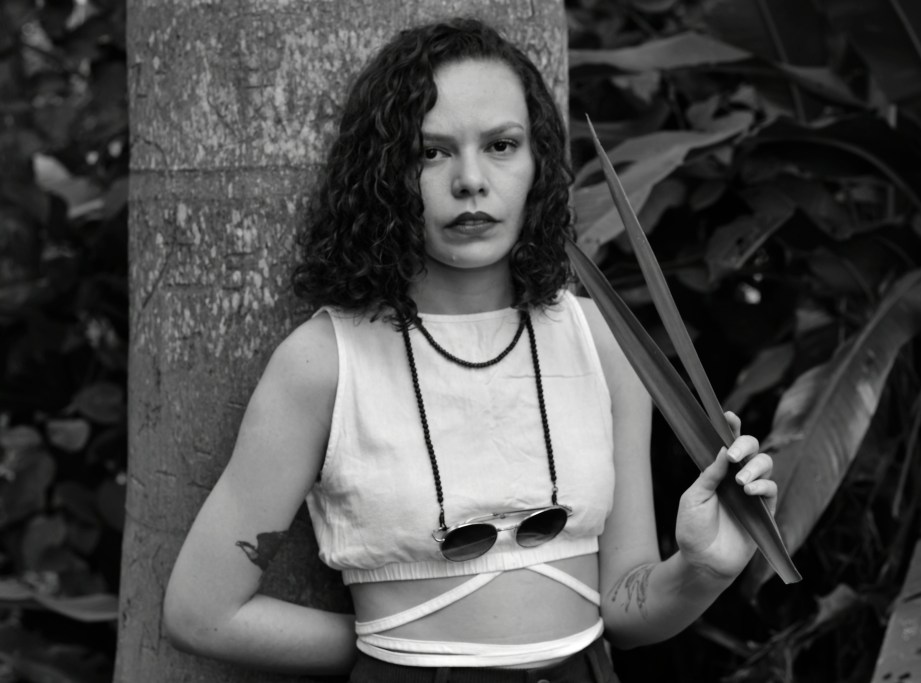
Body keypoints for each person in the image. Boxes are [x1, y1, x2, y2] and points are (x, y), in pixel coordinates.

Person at [162, 17, 776, 682]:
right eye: (431, 152)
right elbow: (202, 613)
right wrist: (401, 656)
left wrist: (703, 568)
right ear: (383, 172)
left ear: (538, 162)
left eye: (501, 145)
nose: (471, 180)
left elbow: (627, 610)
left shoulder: (602, 340)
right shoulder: (323, 362)